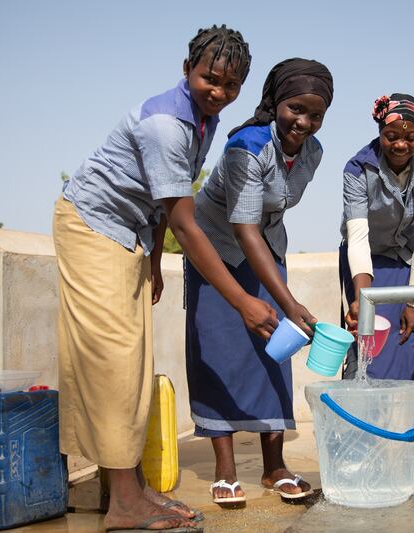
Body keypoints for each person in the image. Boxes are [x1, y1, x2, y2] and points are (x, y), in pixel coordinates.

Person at [53, 25, 278, 532]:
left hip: (128, 233)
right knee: (113, 361)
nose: (218, 92)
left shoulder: (204, 119)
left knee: (133, 364)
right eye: (209, 79)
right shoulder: (166, 123)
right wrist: (243, 300)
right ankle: (125, 504)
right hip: (91, 225)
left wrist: (154, 261)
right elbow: (184, 221)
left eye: (231, 85)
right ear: (187, 70)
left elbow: (162, 202)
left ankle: (130, 493)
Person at [186, 58, 333, 505]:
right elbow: (242, 226)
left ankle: (274, 467)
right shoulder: (245, 147)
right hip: (216, 252)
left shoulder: (313, 152)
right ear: (275, 102)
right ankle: (226, 470)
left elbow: (269, 217)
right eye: (295, 109)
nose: (304, 122)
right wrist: (290, 302)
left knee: (275, 351)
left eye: (315, 115)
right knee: (218, 353)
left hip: (266, 250)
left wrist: (282, 301)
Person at [339, 93, 414, 413]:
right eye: (392, 136)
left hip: (413, 263)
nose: (401, 145)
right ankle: (366, 436)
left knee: (411, 342)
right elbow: (357, 238)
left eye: (410, 137)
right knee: (369, 349)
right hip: (367, 266)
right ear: (380, 133)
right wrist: (362, 299)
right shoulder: (358, 169)